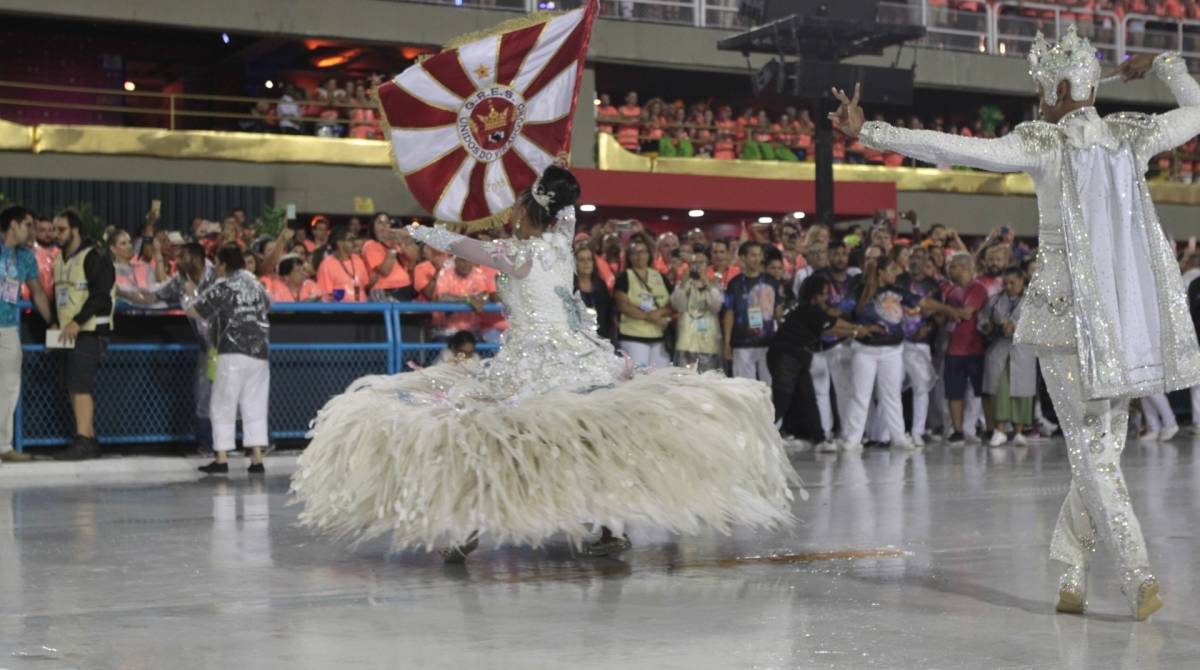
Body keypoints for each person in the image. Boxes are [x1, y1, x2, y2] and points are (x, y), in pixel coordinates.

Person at [830, 27, 1200, 619]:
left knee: (1094, 453)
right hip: (1119, 316)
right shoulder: (1134, 134)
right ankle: (1136, 577)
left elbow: (954, 148)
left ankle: (1076, 575)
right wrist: (1165, 64)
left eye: (1039, 89)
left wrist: (872, 133)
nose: (1038, 99)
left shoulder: (1044, 142)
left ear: (1058, 87)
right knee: (1097, 452)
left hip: (1064, 320)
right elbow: (1198, 108)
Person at [292, 165, 799, 562]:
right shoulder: (561, 241)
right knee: (584, 440)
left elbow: (467, 245)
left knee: (498, 442)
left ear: (526, 211)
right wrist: (552, 174)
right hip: (583, 358)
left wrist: (422, 231)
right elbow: (566, 208)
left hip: (537, 365)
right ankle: (605, 527)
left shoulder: (517, 254)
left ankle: (469, 532)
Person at [187, 244, 271, 475]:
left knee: (223, 403)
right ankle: (256, 459)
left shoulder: (223, 285)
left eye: (217, 262)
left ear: (223, 264)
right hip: (260, 353)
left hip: (232, 352)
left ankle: (221, 459)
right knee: (254, 406)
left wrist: (188, 295)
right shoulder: (255, 283)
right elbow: (268, 304)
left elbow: (197, 310)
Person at [769, 274, 867, 448]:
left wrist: (855, 329)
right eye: (823, 294)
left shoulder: (809, 311)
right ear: (814, 296)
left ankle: (820, 439)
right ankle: (761, 435)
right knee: (781, 400)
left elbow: (832, 325)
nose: (826, 297)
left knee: (808, 397)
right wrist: (857, 331)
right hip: (786, 357)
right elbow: (833, 327)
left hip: (798, 357)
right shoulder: (809, 311)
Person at [50, 209, 116, 461]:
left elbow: (100, 297)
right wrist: (56, 322)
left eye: (61, 229)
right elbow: (58, 298)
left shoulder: (95, 257)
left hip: (88, 332)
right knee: (72, 387)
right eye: (55, 229)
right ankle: (88, 437)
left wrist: (77, 322)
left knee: (80, 387)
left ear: (75, 230)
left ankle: (84, 440)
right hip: (68, 332)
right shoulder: (60, 260)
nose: (56, 234)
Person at [1, 206, 54, 464]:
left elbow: (38, 293)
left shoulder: (25, 257)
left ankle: (3, 446)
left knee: (9, 387)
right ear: (13, 224)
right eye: (28, 225)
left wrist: (52, 322)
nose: (32, 230)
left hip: (9, 326)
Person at [979, 267, 1037, 446]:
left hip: (1023, 349)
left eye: (1013, 282)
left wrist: (1016, 326)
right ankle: (1000, 429)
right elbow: (982, 320)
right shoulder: (994, 300)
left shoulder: (1034, 300)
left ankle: (1019, 431)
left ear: (1022, 280)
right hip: (1000, 348)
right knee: (1000, 389)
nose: (1009, 286)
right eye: (1006, 283)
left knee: (1022, 390)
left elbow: (1038, 324)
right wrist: (988, 327)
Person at [722, 241, 785, 385]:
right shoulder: (734, 283)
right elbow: (729, 312)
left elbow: (778, 313)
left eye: (759, 255)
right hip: (741, 342)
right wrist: (726, 342)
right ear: (743, 258)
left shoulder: (772, 282)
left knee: (768, 387)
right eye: (753, 255)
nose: (757, 259)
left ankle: (768, 409)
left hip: (768, 342)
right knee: (744, 388)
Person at [613, 237, 673, 368]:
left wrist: (660, 312)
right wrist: (649, 317)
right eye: (635, 252)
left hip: (659, 336)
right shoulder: (624, 277)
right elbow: (623, 306)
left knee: (661, 379)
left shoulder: (659, 276)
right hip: (632, 336)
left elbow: (673, 303)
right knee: (638, 379)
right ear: (629, 256)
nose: (640, 256)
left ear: (649, 254)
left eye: (643, 252)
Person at [669, 244, 724, 373]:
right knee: (685, 380)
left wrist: (707, 285)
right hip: (686, 341)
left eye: (701, 263)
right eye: (694, 263)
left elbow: (716, 307)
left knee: (709, 379)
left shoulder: (714, 284)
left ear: (707, 265)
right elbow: (678, 305)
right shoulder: (683, 284)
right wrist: (683, 284)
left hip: (708, 342)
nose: (698, 266)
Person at [362, 213, 414, 301]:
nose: (384, 226)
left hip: (405, 288)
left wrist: (402, 241)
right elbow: (385, 271)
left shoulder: (393, 242)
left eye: (387, 223)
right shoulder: (370, 245)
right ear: (372, 227)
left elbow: (414, 258)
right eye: (380, 223)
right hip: (385, 290)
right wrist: (393, 248)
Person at [316, 227, 368, 302]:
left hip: (363, 309)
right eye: (350, 240)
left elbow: (364, 284)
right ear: (340, 243)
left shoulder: (358, 259)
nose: (354, 242)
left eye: (354, 239)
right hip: (341, 311)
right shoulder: (326, 264)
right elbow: (326, 294)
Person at [573, 245, 613, 341]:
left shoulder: (600, 285)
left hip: (600, 336)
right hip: (577, 337)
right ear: (575, 263)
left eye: (589, 259)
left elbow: (607, 313)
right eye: (581, 260)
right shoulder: (570, 285)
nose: (586, 263)